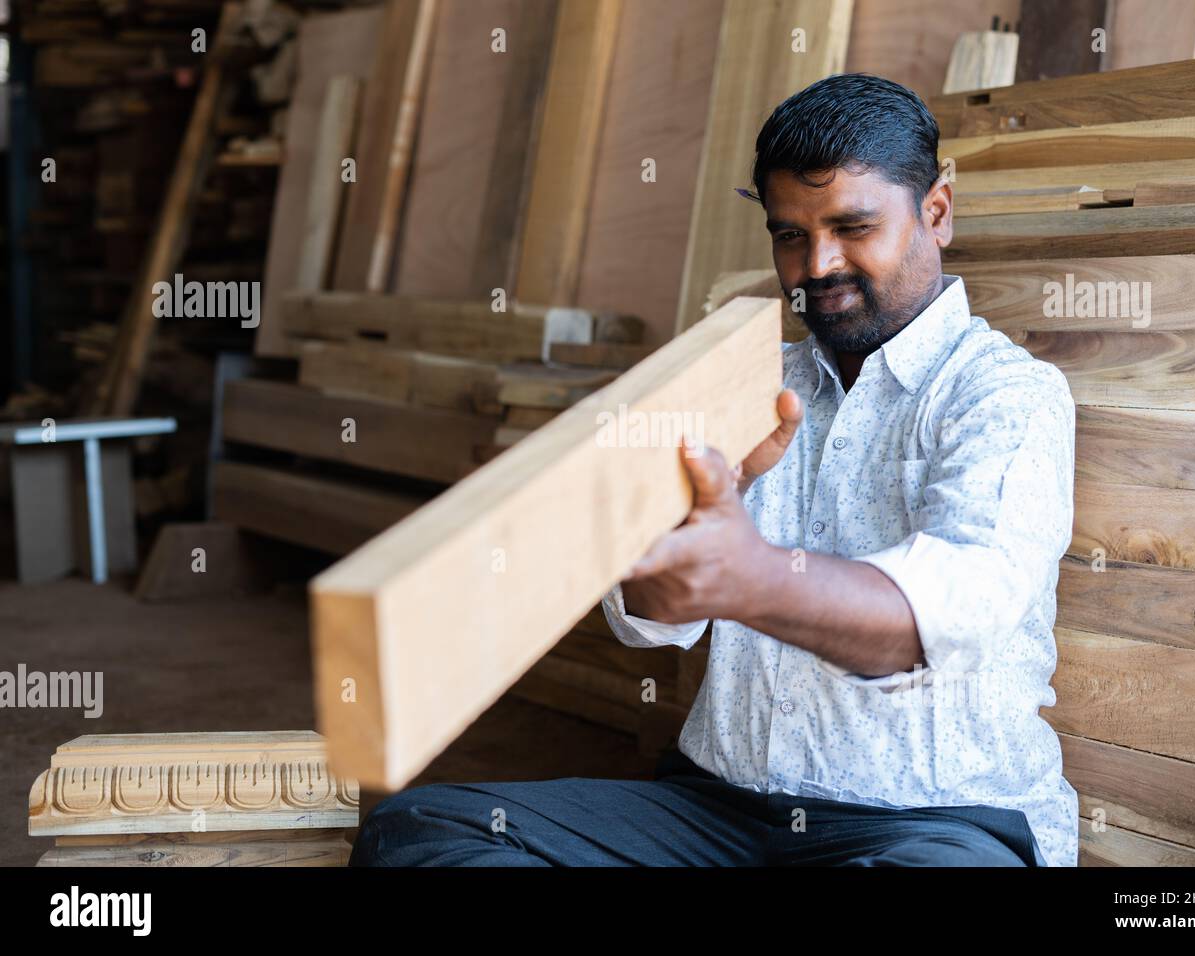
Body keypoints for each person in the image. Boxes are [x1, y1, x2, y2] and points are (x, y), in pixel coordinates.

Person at [349, 73, 1078, 867]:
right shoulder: (748, 378)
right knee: (421, 829)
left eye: (853, 226)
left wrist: (748, 575)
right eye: (790, 235)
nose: (817, 264)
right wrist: (657, 546)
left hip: (933, 823)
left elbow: (939, 624)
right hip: (720, 811)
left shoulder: (1007, 395)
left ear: (935, 213)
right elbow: (651, 620)